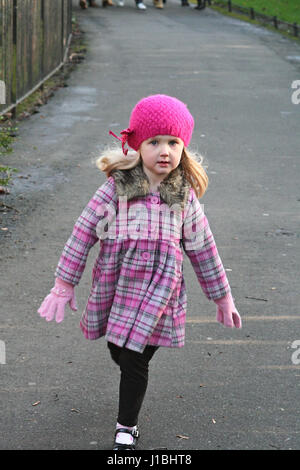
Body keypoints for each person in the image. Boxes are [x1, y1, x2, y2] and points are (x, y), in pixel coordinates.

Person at [37, 94, 242, 450]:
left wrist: (222, 298)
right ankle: (126, 378)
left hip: (162, 296)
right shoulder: (115, 191)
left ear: (183, 147)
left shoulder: (183, 197)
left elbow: (204, 249)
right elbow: (82, 233)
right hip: (118, 289)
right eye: (155, 142)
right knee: (119, 350)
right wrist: (62, 284)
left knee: (135, 360)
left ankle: (125, 428)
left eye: (173, 142)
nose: (165, 150)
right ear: (136, 145)